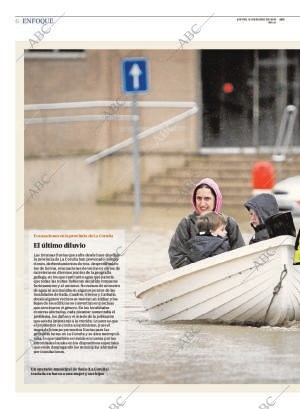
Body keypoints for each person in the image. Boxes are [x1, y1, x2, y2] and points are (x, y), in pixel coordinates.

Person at [168, 178, 245, 269]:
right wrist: (197, 271)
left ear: (216, 200)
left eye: (207, 199)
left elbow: (240, 253)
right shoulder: (186, 223)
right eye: (199, 198)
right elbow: (177, 257)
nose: (202, 204)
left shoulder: (229, 223)